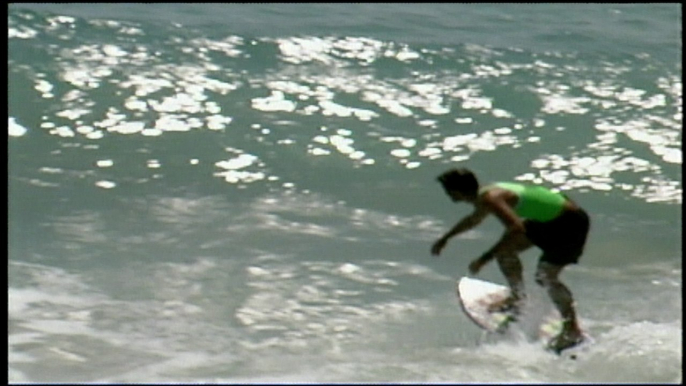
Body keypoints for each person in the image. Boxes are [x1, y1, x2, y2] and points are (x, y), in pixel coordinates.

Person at [430, 167, 590, 353]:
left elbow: (516, 228)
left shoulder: (491, 197)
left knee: (546, 276)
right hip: (549, 220)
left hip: (569, 223)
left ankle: (572, 330)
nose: (448, 195)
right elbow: (473, 219)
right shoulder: (486, 195)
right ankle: (517, 299)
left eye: (448, 190)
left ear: (456, 191)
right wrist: (446, 238)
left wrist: (484, 258)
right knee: (505, 254)